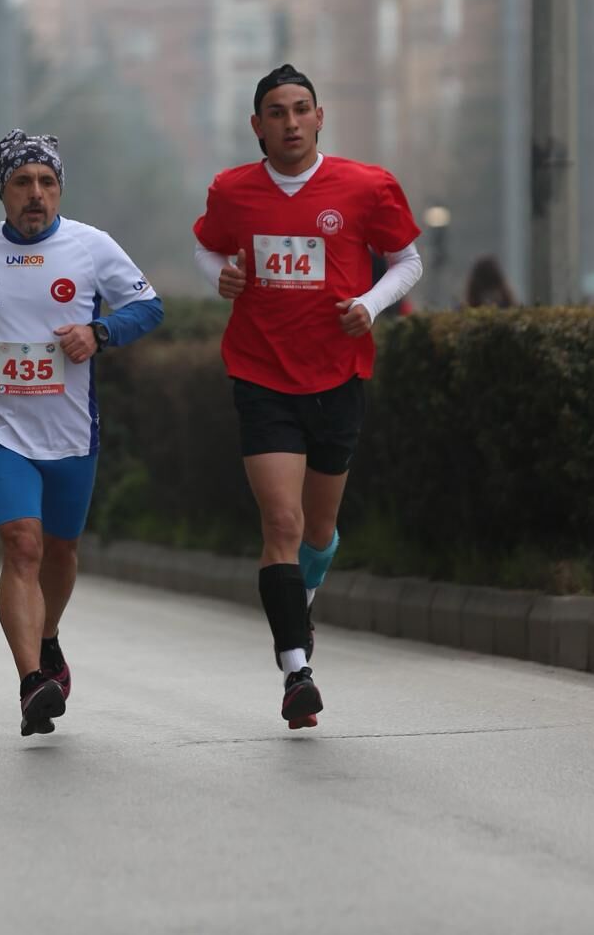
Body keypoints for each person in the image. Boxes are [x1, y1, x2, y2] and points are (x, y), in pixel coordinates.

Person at [191, 64, 423, 730]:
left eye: (301, 110)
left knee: (319, 531)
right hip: (261, 374)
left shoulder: (365, 186)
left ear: (319, 117)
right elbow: (208, 247)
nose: (289, 122)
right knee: (282, 526)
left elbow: (408, 259)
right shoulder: (233, 191)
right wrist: (224, 276)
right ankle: (296, 671)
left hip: (338, 374)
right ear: (257, 126)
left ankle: (303, 603)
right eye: (276, 112)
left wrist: (371, 305)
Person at [0, 130, 163, 737]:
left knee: (60, 549)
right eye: (22, 183)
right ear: (2, 192)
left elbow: (148, 306)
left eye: (47, 183)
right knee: (22, 545)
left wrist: (102, 334)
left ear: (59, 190)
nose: (36, 195)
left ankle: (49, 635)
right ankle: (33, 679)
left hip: (69, 432)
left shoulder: (91, 247)